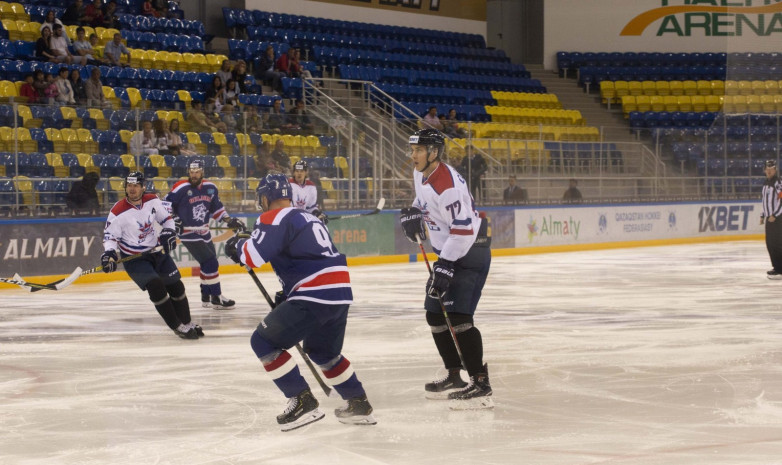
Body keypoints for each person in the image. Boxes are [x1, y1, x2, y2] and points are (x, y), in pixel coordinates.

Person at [224, 172, 376, 431]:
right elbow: (303, 254)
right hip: (338, 293)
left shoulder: (273, 216)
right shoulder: (306, 216)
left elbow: (254, 256)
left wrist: (236, 247)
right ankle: (358, 403)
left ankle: (302, 400)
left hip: (314, 293)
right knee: (323, 352)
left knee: (262, 341)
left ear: (265, 197)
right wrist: (290, 291)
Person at [399, 128, 493, 408]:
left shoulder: (448, 186)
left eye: (418, 150)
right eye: (412, 149)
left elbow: (463, 230)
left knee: (459, 317)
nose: (412, 155)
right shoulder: (421, 173)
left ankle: (480, 383)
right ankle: (454, 375)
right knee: (434, 315)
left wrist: (446, 265)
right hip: (450, 254)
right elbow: (423, 200)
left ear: (434, 152)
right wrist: (414, 211)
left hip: (470, 252)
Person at [101, 171, 203, 339]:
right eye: (129, 185)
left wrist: (169, 232)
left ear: (143, 187)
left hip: (157, 252)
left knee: (176, 287)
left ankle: (186, 322)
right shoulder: (117, 212)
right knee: (156, 286)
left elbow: (167, 220)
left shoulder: (153, 200)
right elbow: (110, 238)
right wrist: (109, 254)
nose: (132, 189)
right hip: (135, 259)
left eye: (135, 185)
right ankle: (177, 326)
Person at [165, 159, 244, 309]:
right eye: (191, 172)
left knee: (208, 262)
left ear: (202, 172)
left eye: (197, 172)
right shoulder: (180, 187)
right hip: (187, 232)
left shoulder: (210, 187)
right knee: (210, 262)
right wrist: (174, 219)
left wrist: (228, 220)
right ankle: (216, 297)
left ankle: (205, 296)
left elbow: (216, 208)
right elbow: (166, 204)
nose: (194, 175)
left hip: (204, 230)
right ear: (188, 172)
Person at [761, 160, 782, 279]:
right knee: (770, 244)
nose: (769, 171)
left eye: (771, 169)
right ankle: (776, 267)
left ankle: (781, 268)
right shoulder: (765, 183)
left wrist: (776, 214)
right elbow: (765, 201)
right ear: (765, 170)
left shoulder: (778, 183)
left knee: (777, 244)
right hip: (769, 219)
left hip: (777, 219)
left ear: (775, 170)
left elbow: (781, 200)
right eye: (767, 169)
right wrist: (762, 214)